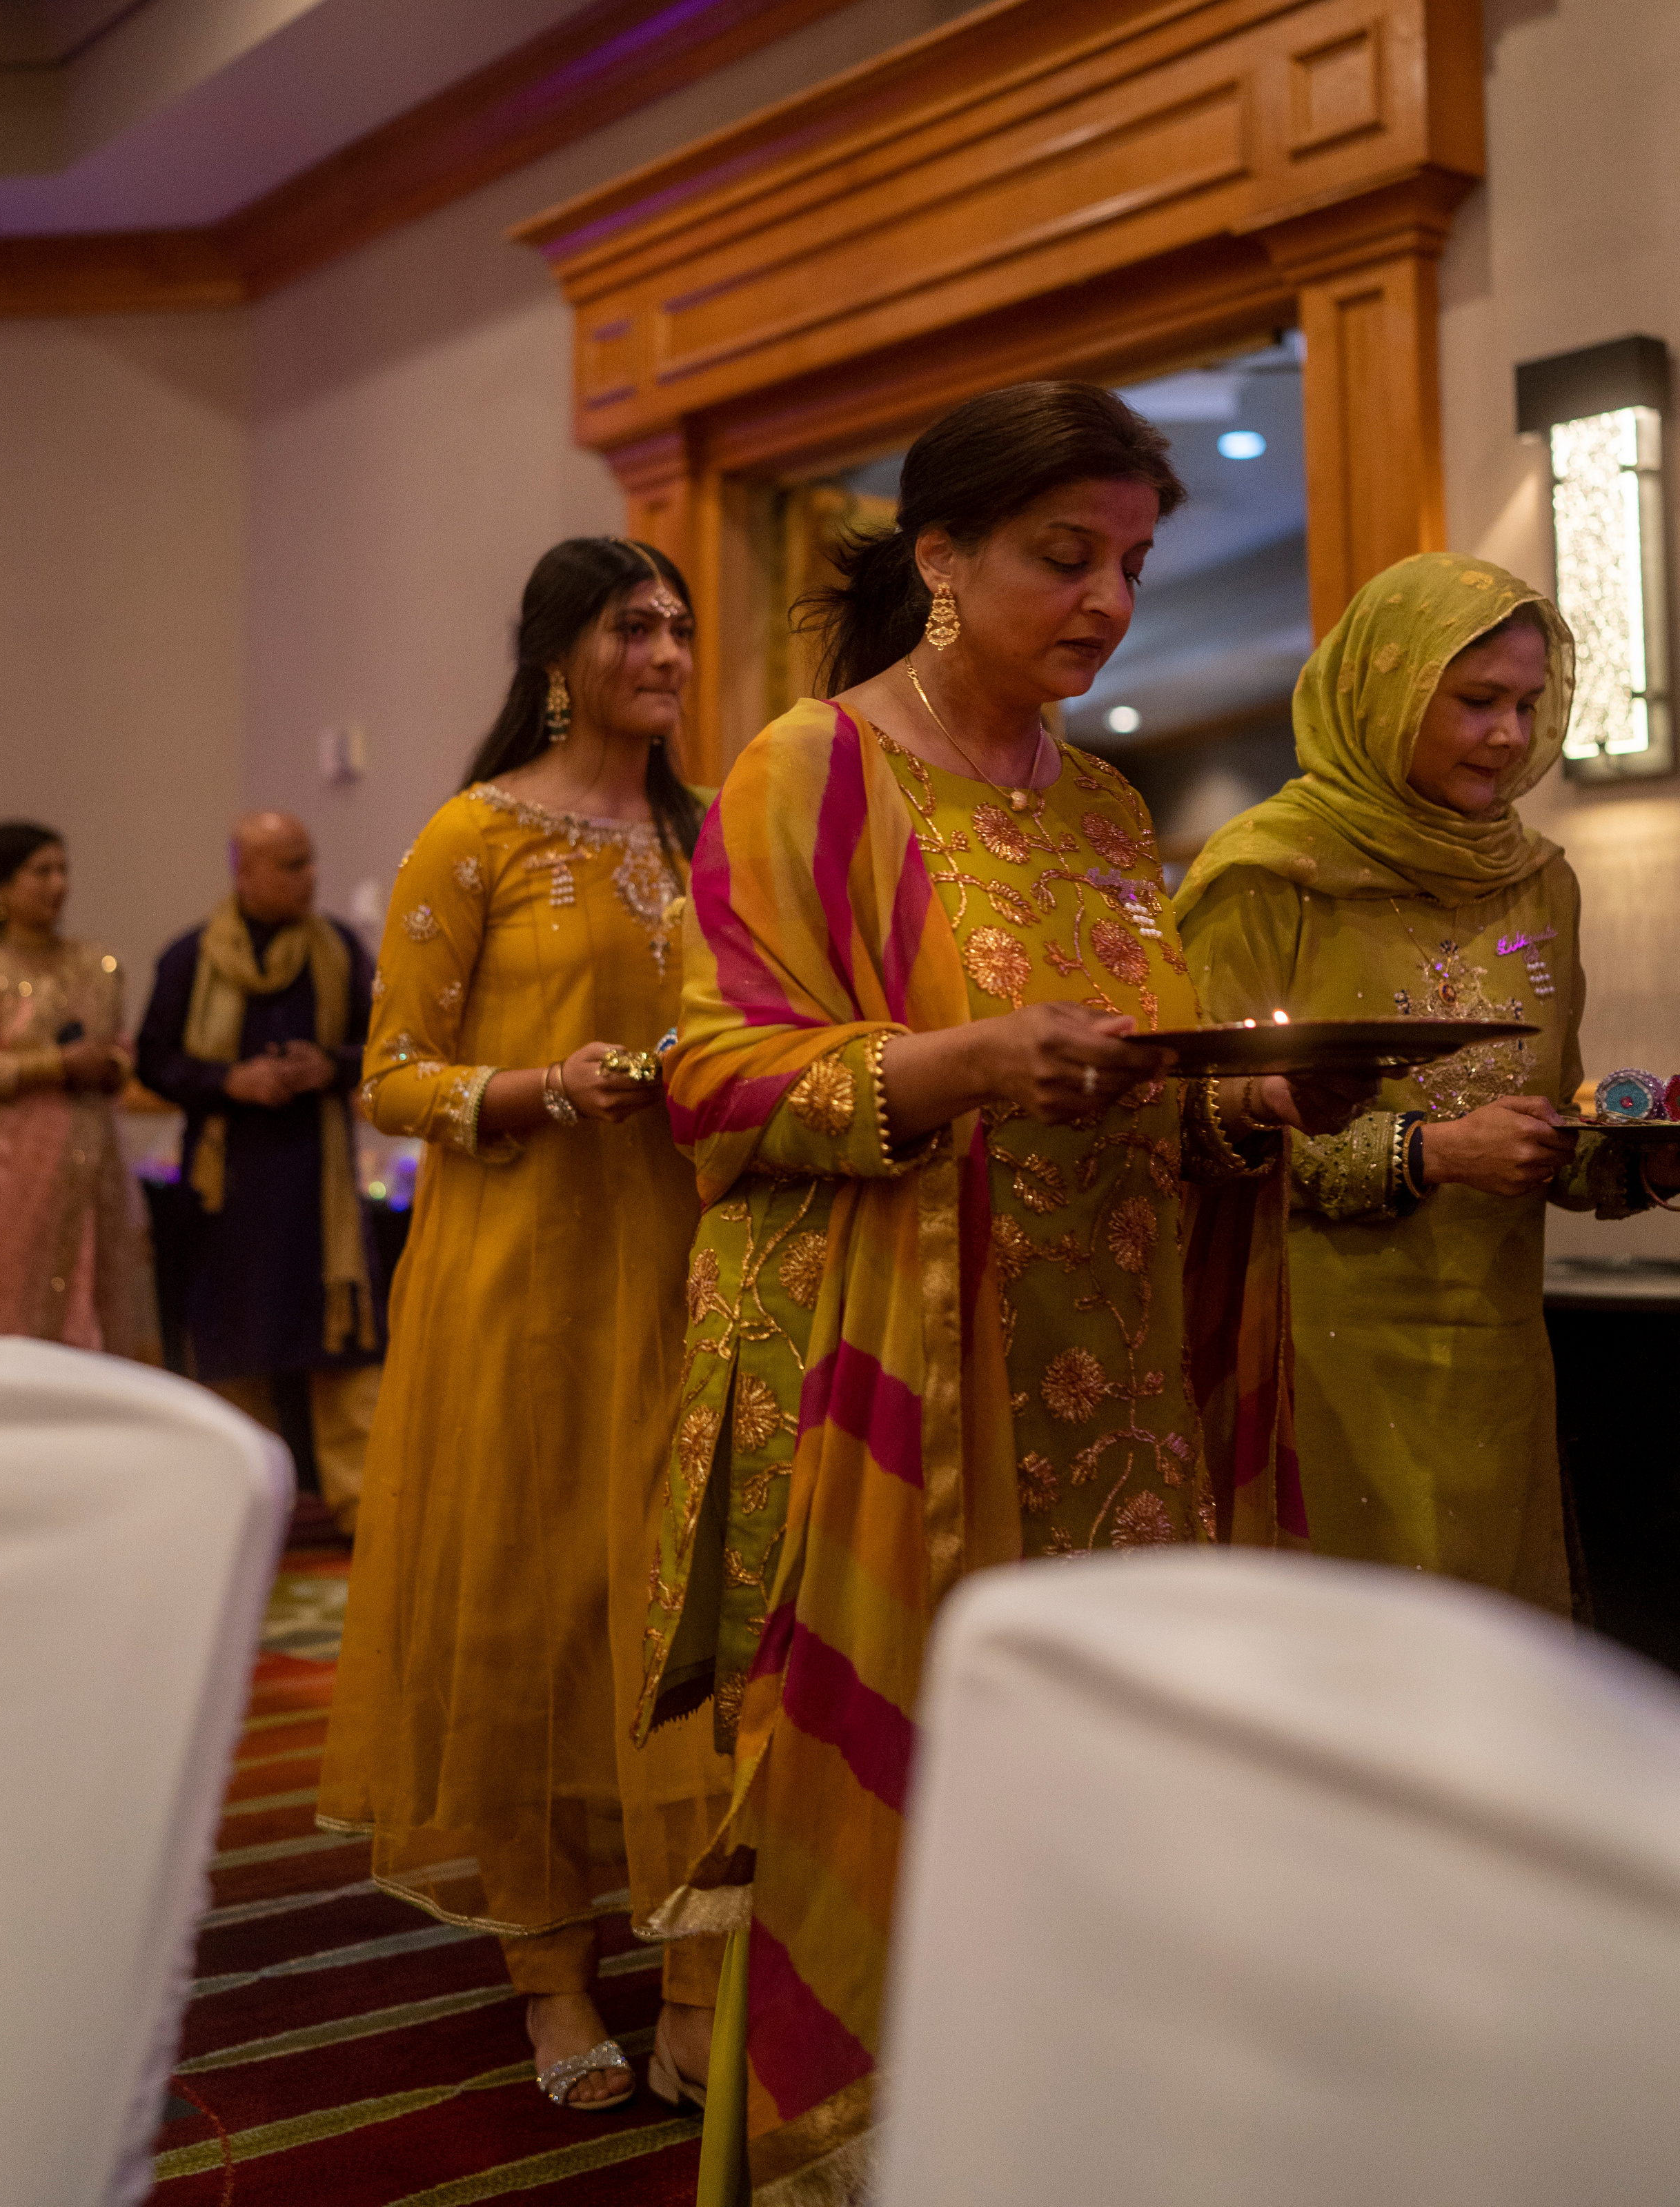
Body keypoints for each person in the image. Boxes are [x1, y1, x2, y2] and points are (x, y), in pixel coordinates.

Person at [638, 383, 1366, 2203]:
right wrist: (958, 1063)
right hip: (914, 1401)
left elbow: (1152, 1075)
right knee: (915, 1798)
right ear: (941, 555)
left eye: (1132, 559)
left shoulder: (1111, 802)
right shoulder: (814, 765)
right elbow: (714, 1075)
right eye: (1067, 556)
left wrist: (1257, 1105)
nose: (1109, 598)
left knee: (1100, 1795)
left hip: (1118, 1391)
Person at [316, 537, 733, 2114]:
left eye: (681, 626)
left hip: (682, 1265)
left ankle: (695, 1976)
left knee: (676, 1612)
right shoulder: (471, 836)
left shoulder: (710, 839)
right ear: (557, 652)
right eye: (634, 626)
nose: (668, 651)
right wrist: (532, 1089)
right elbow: (391, 1074)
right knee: (525, 1613)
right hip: (514, 1282)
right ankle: (551, 1982)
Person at [1176, 553, 1680, 1615]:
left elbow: (1549, 1115)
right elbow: (1192, 1130)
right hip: (1313, 1358)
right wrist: (1429, 1152)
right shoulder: (1267, 874)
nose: (1508, 733)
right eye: (1476, 700)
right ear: (1385, 691)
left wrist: (1643, 1151)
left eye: (1528, 703)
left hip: (1493, 1359)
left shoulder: (1538, 876)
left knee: (1490, 1683)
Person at [136, 811, 384, 1535]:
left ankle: (363, 1509)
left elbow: (381, 1045)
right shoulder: (189, 958)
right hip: (228, 1189)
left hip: (319, 1182)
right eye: (290, 865)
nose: (309, 878)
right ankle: (241, 1511)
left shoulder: (338, 947)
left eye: (309, 862)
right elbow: (156, 1060)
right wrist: (227, 1080)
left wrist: (329, 1066)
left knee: (343, 1344)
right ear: (244, 872)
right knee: (234, 1345)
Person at [0, 820, 148, 1349]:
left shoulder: (97, 964)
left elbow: (123, 1054)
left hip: (91, 1161)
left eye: (63, 869)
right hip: (2, 1167)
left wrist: (108, 1064)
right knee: (1, 1304)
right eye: (41, 871)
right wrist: (59, 1064)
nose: (57, 884)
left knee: (90, 1299)